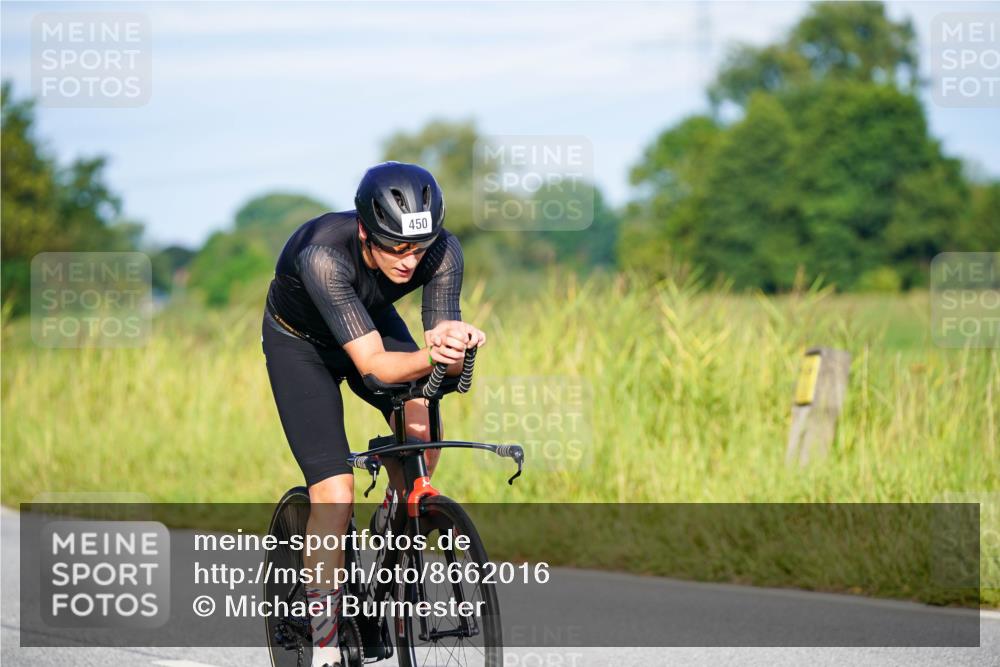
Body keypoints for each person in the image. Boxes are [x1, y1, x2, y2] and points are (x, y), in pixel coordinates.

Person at [261, 161, 486, 667]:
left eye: (419, 247)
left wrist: (454, 345)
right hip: (303, 346)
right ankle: (323, 642)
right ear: (366, 230)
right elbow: (377, 367)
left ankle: (395, 537)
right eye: (395, 248)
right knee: (335, 495)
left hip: (366, 319)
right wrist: (432, 357)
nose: (409, 262)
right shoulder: (322, 255)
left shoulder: (443, 251)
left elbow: (436, 342)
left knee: (421, 432)